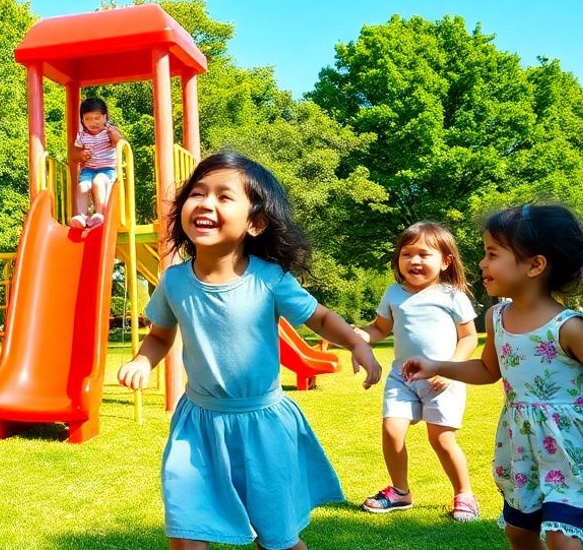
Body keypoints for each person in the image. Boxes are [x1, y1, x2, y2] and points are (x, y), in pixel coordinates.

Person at [116, 152, 381, 550]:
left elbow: (321, 318)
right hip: (197, 426)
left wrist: (358, 342)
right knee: (187, 527)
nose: (206, 203)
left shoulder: (269, 280)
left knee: (277, 539)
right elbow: (158, 337)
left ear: (254, 223)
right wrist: (141, 359)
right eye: (197, 193)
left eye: (224, 197)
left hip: (262, 426)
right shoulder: (173, 282)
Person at [403, 205, 583, 550]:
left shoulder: (567, 326)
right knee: (519, 533)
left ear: (535, 265)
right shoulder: (496, 318)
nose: (482, 263)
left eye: (492, 254)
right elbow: (487, 370)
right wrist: (438, 367)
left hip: (571, 445)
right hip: (522, 445)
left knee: (562, 537)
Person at [355, 221, 480, 520]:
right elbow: (379, 329)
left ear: (446, 261)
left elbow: (469, 337)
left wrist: (450, 370)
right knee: (391, 429)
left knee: (441, 439)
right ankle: (400, 492)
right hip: (403, 377)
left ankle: (464, 495)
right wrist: (359, 335)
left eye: (424, 254)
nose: (415, 261)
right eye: (407, 254)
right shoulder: (393, 294)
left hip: (442, 380)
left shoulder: (452, 295)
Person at [68, 97, 123, 230]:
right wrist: (81, 155)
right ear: (82, 121)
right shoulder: (82, 135)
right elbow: (73, 154)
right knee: (82, 186)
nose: (93, 122)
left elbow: (121, 144)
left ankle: (99, 213)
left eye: (97, 118)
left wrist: (116, 137)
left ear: (105, 118)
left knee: (98, 181)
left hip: (107, 169)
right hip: (89, 169)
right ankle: (82, 216)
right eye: (88, 119)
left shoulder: (109, 132)